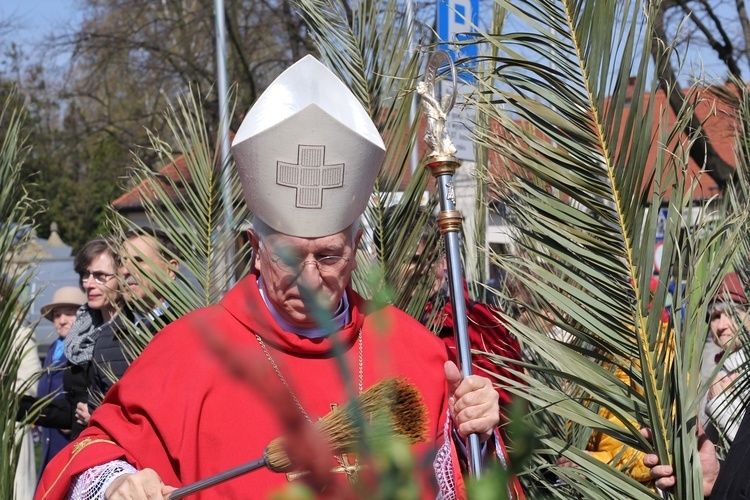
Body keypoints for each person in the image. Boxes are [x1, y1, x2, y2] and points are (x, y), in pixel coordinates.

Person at [36, 55, 505, 500]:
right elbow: (93, 455)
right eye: (289, 256)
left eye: (328, 256)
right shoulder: (189, 352)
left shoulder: (412, 351)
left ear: (356, 247)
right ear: (255, 250)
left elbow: (471, 480)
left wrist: (475, 431)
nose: (309, 278)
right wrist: (120, 483)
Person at [83, 227, 180, 420]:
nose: (126, 270)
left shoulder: (194, 330)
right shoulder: (105, 339)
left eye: (139, 260)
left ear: (170, 269)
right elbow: (98, 413)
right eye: (121, 262)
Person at [35, 286, 87, 476]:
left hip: (70, 437)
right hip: (50, 434)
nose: (62, 320)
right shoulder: (53, 348)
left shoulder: (85, 349)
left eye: (69, 313)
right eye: (57, 315)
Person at [704, 271, 750, 444]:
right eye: (715, 316)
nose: (721, 326)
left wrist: (719, 404)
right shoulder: (722, 368)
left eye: (730, 313)